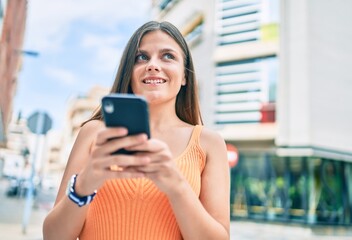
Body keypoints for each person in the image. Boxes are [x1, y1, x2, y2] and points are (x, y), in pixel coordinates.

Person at [43, 21, 230, 240]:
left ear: (185, 77)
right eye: (141, 57)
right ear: (129, 73)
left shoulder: (208, 143)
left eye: (168, 56)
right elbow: (53, 236)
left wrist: (176, 185)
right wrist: (84, 185)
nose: (153, 64)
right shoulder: (94, 134)